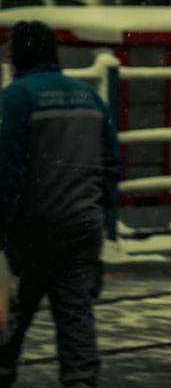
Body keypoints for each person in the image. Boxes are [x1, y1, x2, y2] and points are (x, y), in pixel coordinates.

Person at [0, 21, 120, 388]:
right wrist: (103, 217)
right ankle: (81, 378)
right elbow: (110, 165)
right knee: (75, 312)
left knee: (14, 312)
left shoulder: (16, 98)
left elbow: (7, 170)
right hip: (82, 225)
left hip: (31, 227)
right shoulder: (89, 96)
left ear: (16, 55)